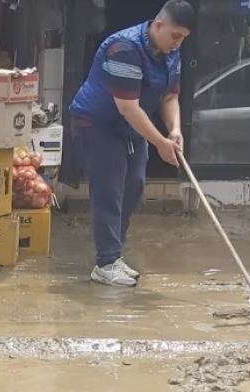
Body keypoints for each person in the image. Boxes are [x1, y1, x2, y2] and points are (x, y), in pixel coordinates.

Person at [70, 0, 195, 287]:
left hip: (129, 127)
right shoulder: (123, 48)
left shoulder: (170, 52)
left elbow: (169, 97)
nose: (177, 44)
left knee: (133, 188)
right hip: (98, 124)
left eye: (183, 39)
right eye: (175, 36)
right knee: (109, 192)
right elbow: (128, 107)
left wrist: (174, 130)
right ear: (159, 25)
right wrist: (160, 143)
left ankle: (114, 256)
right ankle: (105, 262)